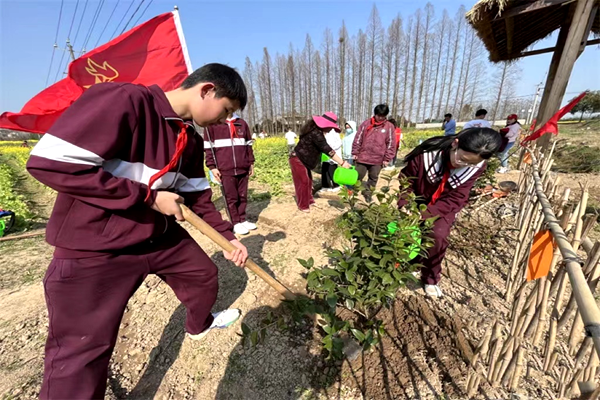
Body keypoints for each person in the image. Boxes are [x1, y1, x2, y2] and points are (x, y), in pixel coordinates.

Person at [26, 63, 249, 399]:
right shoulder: (126, 101)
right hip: (97, 246)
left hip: (158, 238)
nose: (225, 121)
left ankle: (198, 325)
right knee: (83, 352)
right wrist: (148, 197)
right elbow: (51, 163)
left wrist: (227, 237)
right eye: (226, 110)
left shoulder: (188, 139)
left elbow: (198, 199)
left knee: (203, 275)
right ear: (206, 90)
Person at [398, 128, 502, 298]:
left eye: (469, 163)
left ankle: (430, 278)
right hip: (416, 199)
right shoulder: (427, 156)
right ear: (455, 143)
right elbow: (406, 179)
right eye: (461, 158)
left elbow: (457, 197)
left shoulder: (476, 166)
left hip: (444, 205)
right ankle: (411, 263)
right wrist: (405, 203)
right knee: (406, 231)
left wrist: (425, 214)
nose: (461, 164)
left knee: (437, 235)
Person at [205, 114, 257, 235]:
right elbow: (208, 148)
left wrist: (251, 163)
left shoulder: (242, 123)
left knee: (242, 195)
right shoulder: (212, 125)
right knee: (231, 197)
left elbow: (248, 145)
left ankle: (242, 219)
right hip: (225, 169)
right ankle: (235, 222)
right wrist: (212, 167)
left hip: (242, 167)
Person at [289, 112, 351, 212]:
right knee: (303, 182)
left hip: (304, 159)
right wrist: (342, 163)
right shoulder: (315, 133)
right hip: (297, 159)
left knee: (308, 181)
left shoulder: (315, 130)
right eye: (330, 127)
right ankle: (302, 205)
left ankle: (309, 200)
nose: (331, 129)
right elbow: (327, 149)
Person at [352, 104, 396, 202]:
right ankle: (354, 192)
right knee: (357, 176)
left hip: (377, 159)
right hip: (363, 157)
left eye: (383, 116)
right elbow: (358, 138)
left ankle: (368, 194)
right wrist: (355, 152)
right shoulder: (365, 124)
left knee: (373, 178)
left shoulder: (389, 127)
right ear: (375, 114)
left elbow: (391, 144)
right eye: (378, 115)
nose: (380, 118)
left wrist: (387, 158)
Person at [320, 128, 343, 192]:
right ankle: (326, 186)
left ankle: (337, 185)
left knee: (332, 170)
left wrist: (331, 147)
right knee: (324, 170)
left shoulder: (334, 131)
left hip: (333, 154)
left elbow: (339, 142)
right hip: (325, 155)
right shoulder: (323, 131)